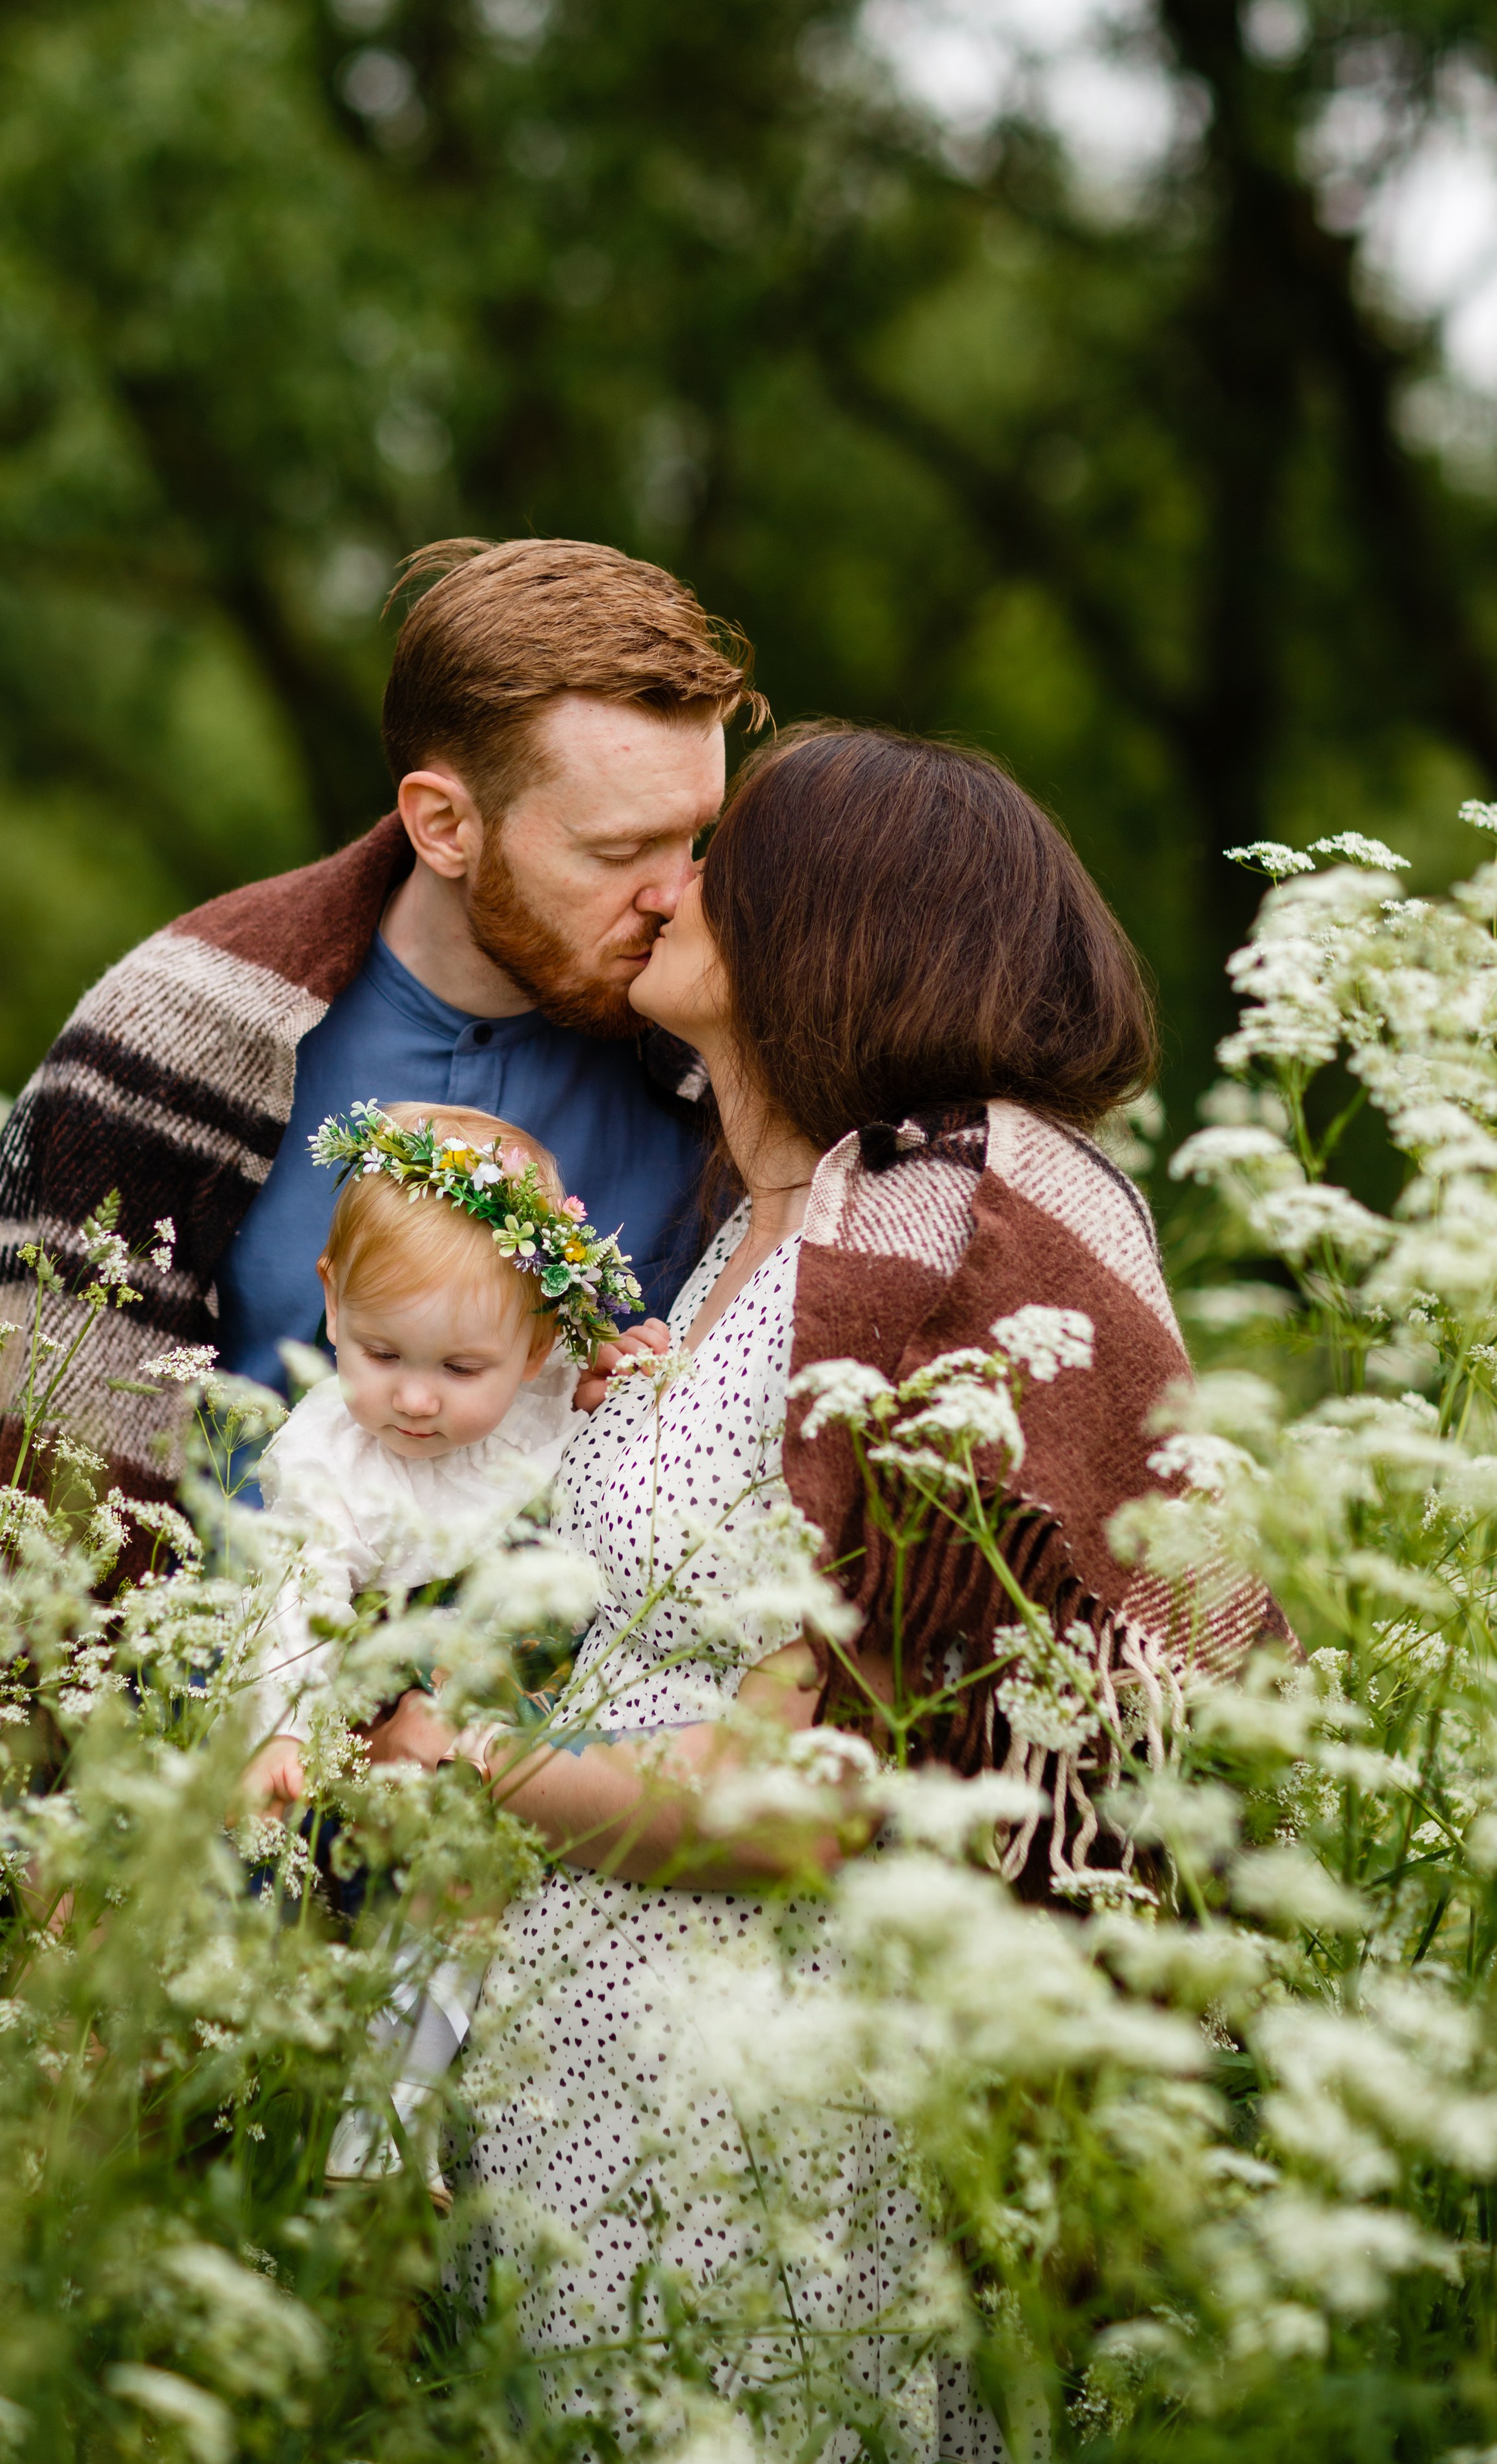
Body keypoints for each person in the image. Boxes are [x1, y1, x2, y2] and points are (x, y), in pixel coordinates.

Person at [370, 727, 1288, 2454]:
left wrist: (449, 1763)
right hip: (584, 2049)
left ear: (836, 920)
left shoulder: (943, 1235)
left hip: (774, 2087)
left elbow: (799, 1801)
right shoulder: (752, 1233)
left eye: (727, 859)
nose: (671, 885)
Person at [0, 539, 764, 1526]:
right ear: (444, 826)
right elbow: (1, 1456)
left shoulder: (735, 1065)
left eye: (695, 834)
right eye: (618, 850)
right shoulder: (182, 1031)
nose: (676, 893)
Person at [234, 1098, 662, 2208]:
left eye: (461, 1369)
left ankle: (406, 2120)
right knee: (420, 1890)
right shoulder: (333, 1455)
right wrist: (283, 1732)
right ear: (330, 1300)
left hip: (525, 1681)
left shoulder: (549, 1392)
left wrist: (628, 1363)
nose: (415, 1399)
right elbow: (296, 1597)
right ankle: (366, 2131)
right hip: (379, 1682)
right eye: (380, 1353)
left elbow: (614, 1402)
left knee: (474, 1904)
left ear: (535, 1346)